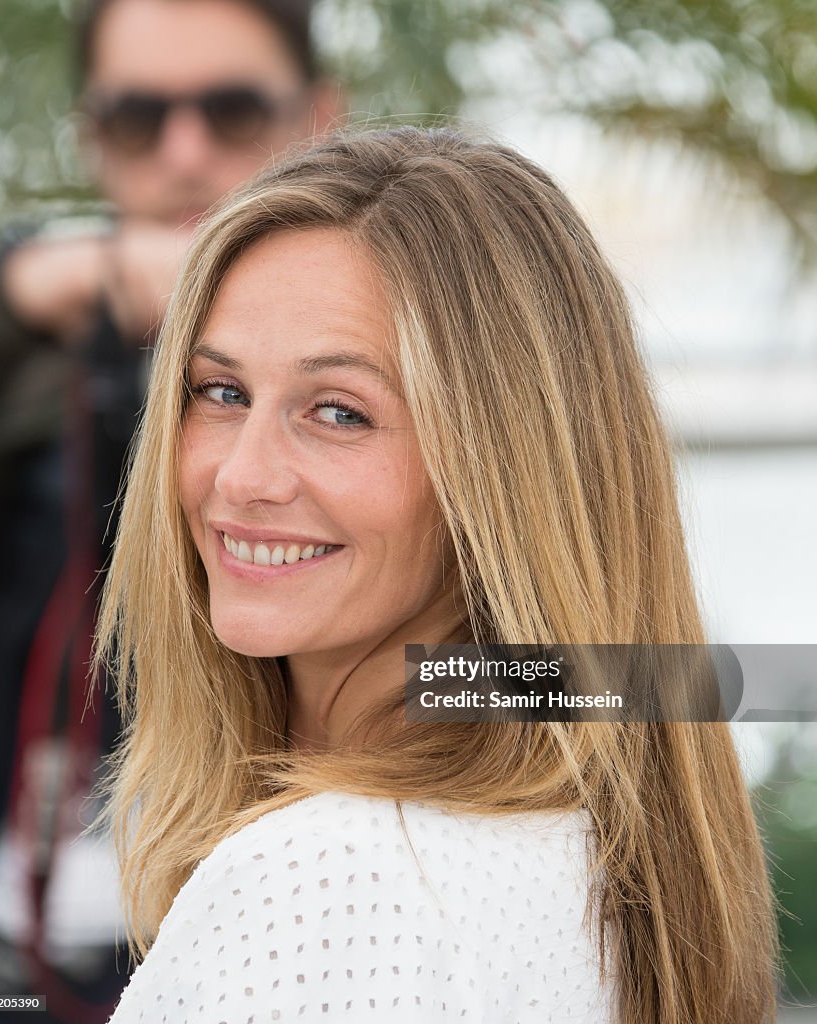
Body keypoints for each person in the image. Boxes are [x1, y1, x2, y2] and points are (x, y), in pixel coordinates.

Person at [95, 126, 778, 1023]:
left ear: (503, 475)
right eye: (220, 392)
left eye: (339, 412)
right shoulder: (599, 854)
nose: (242, 477)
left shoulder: (322, 883)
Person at [0, 0, 339, 1019]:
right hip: (2, 947)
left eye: (232, 110)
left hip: (288, 940)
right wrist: (32, 283)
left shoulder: (450, 353)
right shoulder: (36, 357)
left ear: (321, 116)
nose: (184, 153)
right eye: (137, 117)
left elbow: (608, 681)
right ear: (90, 134)